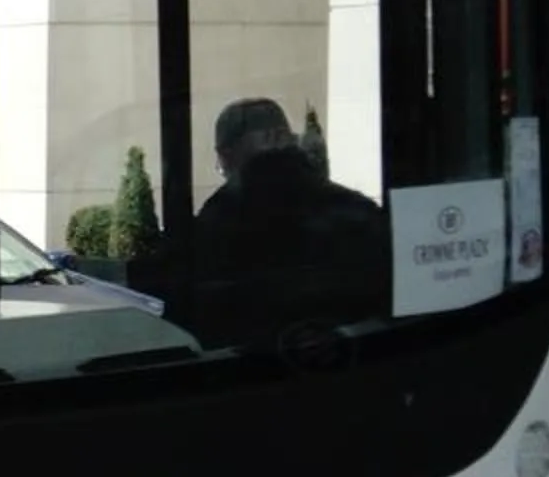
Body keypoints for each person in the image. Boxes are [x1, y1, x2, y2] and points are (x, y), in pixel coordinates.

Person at [138, 97, 390, 349]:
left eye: (221, 157)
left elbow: (187, 307)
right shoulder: (354, 209)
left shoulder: (218, 221)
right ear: (287, 139)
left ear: (228, 153)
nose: (222, 167)